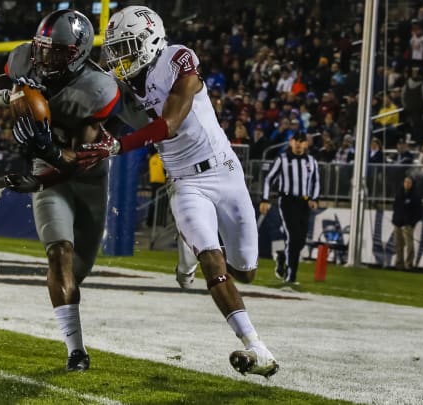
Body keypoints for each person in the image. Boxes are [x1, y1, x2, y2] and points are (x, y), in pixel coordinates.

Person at [76, 6, 278, 378]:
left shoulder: (177, 59)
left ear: (151, 39)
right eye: (116, 50)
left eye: (127, 47)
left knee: (246, 272)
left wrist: (118, 146)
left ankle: (191, 250)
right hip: (184, 181)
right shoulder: (121, 86)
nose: (119, 58)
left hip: (224, 171)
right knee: (213, 265)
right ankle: (257, 348)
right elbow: (91, 115)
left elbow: (169, 123)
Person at [0, 9, 122, 371]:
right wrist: (7, 98)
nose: (46, 58)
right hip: (46, 169)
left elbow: (78, 158)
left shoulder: (97, 89)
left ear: (79, 53)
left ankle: (70, 323)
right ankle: (77, 351)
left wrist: (44, 164)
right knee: (60, 255)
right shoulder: (25, 60)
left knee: (77, 271)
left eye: (58, 52)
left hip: (88, 177)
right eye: (43, 48)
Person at [260, 132, 321, 284]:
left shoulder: (311, 161)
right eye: (296, 141)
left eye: (302, 141)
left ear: (306, 144)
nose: (299, 144)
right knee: (293, 236)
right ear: (291, 142)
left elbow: (316, 180)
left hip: (304, 202)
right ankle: (291, 274)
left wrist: (314, 198)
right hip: (287, 201)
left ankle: (282, 256)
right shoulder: (283, 159)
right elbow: (269, 179)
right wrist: (265, 199)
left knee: (300, 239)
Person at [392, 176, 423, 270]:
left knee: (409, 245)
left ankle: (409, 264)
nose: (407, 184)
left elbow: (419, 212)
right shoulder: (399, 193)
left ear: (412, 184)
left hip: (408, 225)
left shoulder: (415, 196)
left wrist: (412, 223)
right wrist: (395, 219)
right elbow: (395, 207)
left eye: (409, 182)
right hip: (398, 223)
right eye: (405, 182)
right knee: (398, 244)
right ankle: (399, 264)